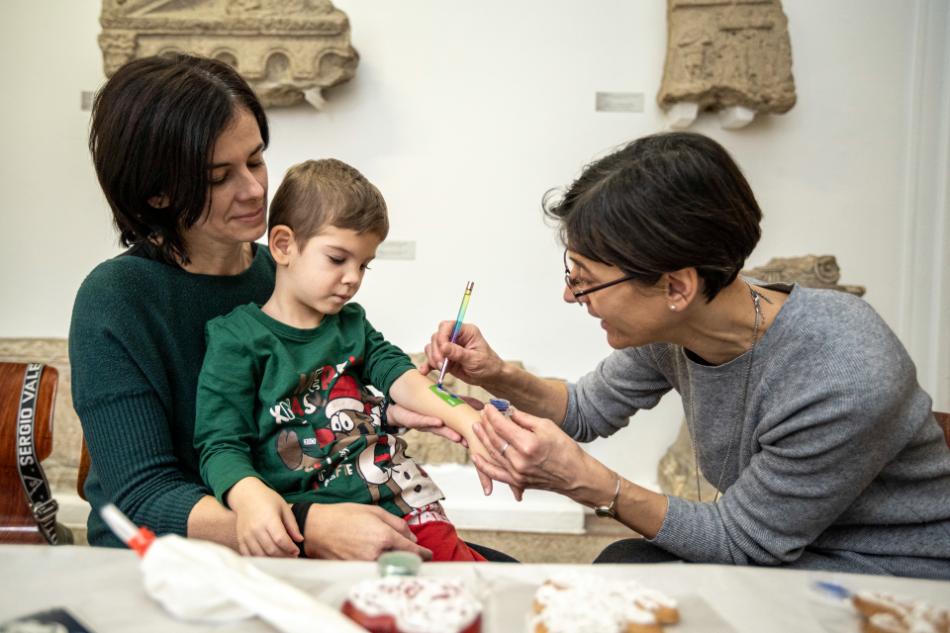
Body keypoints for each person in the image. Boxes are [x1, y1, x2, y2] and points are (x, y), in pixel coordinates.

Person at [420, 132, 950, 579]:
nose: (570, 295)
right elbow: (585, 409)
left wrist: (586, 480)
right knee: (619, 568)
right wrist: (496, 374)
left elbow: (743, 542)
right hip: (782, 548)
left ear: (676, 286)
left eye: (585, 280)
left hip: (884, 572)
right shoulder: (677, 324)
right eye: (571, 272)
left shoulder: (844, 376)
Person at [70, 53, 511, 562]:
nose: (254, 189)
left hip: (306, 531)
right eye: (219, 177)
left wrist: (402, 411)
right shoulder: (116, 300)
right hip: (178, 559)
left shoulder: (287, 275)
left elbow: (312, 410)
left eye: (256, 159)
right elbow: (144, 497)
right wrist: (307, 526)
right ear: (157, 193)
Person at [193, 159, 490, 561]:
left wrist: (469, 423)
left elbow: (403, 377)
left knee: (464, 588)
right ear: (283, 245)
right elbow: (219, 444)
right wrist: (249, 497)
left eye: (364, 265)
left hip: (401, 504)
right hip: (319, 529)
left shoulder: (352, 324)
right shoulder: (236, 339)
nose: (353, 278)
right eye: (337, 259)